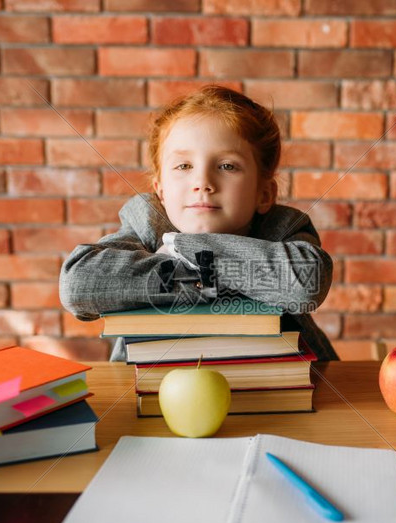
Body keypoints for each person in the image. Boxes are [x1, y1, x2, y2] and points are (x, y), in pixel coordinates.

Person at [59, 85, 338, 362]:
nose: (202, 183)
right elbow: (77, 286)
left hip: (284, 386)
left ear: (263, 194)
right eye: (183, 166)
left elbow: (306, 282)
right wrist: (200, 275)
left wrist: (183, 249)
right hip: (150, 381)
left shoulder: (281, 227)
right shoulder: (147, 222)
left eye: (227, 166)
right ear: (161, 191)